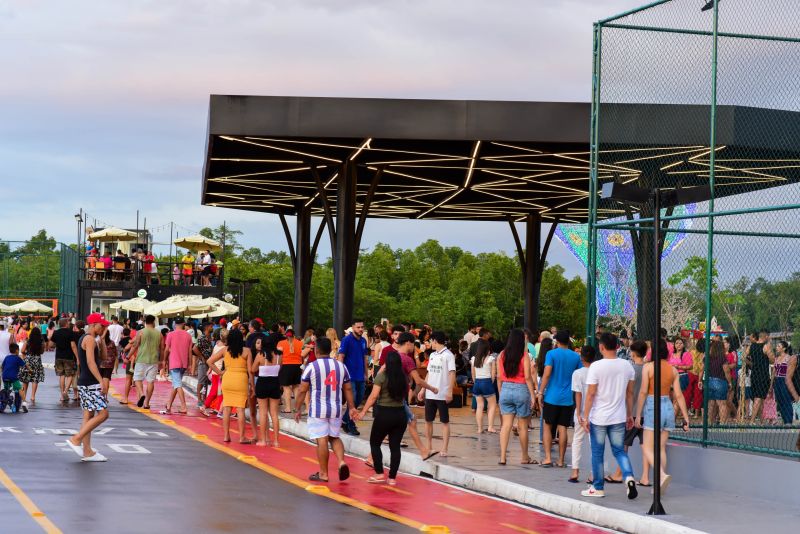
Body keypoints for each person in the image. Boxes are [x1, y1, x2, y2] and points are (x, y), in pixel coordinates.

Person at [580, 332, 637, 499]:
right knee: (619, 451)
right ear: (618, 346)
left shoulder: (596, 367)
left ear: (601, 347)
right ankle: (629, 476)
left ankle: (598, 487)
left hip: (599, 417)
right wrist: (629, 415)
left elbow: (590, 394)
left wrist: (585, 416)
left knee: (597, 453)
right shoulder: (627, 366)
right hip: (619, 416)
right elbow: (630, 393)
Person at [294, 336, 356, 483]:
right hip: (336, 409)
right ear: (330, 350)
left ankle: (323, 474)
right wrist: (352, 407)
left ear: (316, 350)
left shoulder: (312, 366)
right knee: (334, 437)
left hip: (318, 410)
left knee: (322, 439)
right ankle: (341, 462)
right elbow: (347, 388)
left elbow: (302, 390)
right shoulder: (341, 366)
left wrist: (297, 408)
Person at [635, 338, 691, 494]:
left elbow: (644, 391)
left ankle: (661, 475)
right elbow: (679, 395)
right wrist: (686, 417)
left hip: (653, 406)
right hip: (668, 406)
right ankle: (660, 485)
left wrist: (638, 414)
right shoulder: (673, 369)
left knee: (647, 447)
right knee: (661, 448)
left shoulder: (648, 367)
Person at [357, 351, 409, 485]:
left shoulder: (382, 376)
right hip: (400, 414)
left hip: (385, 413)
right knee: (395, 446)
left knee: (375, 443)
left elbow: (373, 396)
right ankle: (392, 478)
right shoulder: (403, 377)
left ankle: (379, 473)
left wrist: (363, 411)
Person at [67, 313, 111, 462]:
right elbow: (91, 362)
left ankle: (87, 451)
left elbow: (104, 357)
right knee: (103, 414)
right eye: (101, 325)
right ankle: (76, 439)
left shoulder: (89, 339)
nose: (103, 327)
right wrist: (101, 381)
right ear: (93, 325)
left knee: (89, 416)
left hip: (85, 382)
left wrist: (103, 339)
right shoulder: (90, 339)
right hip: (91, 382)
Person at [538, 330, 582, 468]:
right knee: (563, 428)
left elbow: (547, 373)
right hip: (568, 398)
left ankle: (548, 458)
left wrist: (540, 392)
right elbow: (579, 374)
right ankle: (561, 460)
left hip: (551, 396)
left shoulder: (551, 354)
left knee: (547, 426)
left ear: (557, 341)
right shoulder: (575, 356)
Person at [498, 328, 537, 465]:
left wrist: (501, 392)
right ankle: (525, 457)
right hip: (521, 390)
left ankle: (502, 457)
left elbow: (499, 377)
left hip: (505, 390)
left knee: (506, 425)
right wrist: (533, 395)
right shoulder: (524, 355)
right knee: (522, 426)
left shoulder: (502, 355)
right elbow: (527, 377)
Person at [207, 328, 253, 443]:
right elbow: (250, 371)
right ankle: (242, 437)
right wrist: (252, 386)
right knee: (240, 409)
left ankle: (226, 436)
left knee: (226, 408)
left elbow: (209, 361)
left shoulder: (224, 350)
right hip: (241, 379)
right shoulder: (247, 351)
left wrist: (220, 372)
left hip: (227, 378)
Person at [420, 331, 456, 457]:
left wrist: (450, 391)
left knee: (444, 421)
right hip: (430, 394)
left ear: (435, 341)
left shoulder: (448, 355)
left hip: (442, 394)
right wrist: (423, 389)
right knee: (428, 420)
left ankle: (444, 448)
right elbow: (429, 373)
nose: (430, 343)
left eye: (431, 341)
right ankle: (429, 446)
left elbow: (452, 373)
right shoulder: (432, 355)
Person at [568, 345, 595, 483]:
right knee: (594, 443)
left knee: (577, 440)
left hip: (581, 411)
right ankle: (593, 473)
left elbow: (578, 394)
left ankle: (575, 471)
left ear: (581, 357)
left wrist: (579, 413)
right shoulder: (597, 372)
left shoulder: (577, 373)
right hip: (595, 412)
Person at [339, 319, 369, 436]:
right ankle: (351, 423)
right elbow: (341, 356)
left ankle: (345, 420)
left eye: (362, 327)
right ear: (353, 327)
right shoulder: (346, 340)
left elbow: (364, 358)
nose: (361, 329)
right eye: (358, 327)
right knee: (353, 399)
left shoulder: (363, 341)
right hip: (349, 376)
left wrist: (366, 373)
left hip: (360, 376)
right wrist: (341, 373)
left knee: (359, 399)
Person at [251, 337, 282, 447]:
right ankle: (276, 441)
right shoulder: (279, 355)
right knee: (274, 414)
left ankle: (263, 440)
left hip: (262, 383)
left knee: (263, 413)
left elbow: (253, 369)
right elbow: (280, 368)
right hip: (275, 383)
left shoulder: (260, 355)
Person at [130, 314, 162, 410]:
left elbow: (135, 345)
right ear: (153, 322)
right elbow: (162, 348)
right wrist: (163, 360)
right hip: (153, 360)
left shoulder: (140, 332)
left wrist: (128, 356)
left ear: (144, 322)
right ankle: (147, 403)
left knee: (137, 379)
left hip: (141, 359)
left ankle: (141, 393)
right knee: (150, 381)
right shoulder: (159, 334)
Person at [746, 329, 774, 422]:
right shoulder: (766, 347)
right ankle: (752, 421)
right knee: (758, 398)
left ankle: (762, 421)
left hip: (754, 374)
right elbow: (772, 360)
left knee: (760, 399)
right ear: (766, 336)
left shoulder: (751, 346)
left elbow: (743, 357)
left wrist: (752, 364)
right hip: (763, 375)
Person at [471, 338, 498, 434]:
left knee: (479, 406)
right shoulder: (491, 359)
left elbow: (473, 374)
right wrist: (490, 383)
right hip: (487, 382)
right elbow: (493, 374)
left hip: (477, 383)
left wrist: (476, 382)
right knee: (492, 405)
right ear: (487, 350)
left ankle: (479, 428)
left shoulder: (474, 359)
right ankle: (490, 427)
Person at [277, 327, 304, 414]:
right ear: (294, 335)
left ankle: (288, 408)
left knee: (286, 388)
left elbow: (279, 356)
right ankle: (297, 408)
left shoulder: (281, 343)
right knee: (296, 387)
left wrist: (278, 367)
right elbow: (303, 355)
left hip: (286, 366)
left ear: (286, 335)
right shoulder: (300, 343)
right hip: (297, 366)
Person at [52, 318, 79, 403]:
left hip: (58, 356)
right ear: (66, 324)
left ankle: (62, 395)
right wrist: (77, 357)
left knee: (61, 375)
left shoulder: (56, 332)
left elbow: (51, 344)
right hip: (69, 357)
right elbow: (73, 346)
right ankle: (65, 391)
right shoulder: (71, 333)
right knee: (70, 375)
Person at [706, 339, 732, 424]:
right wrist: (730, 382)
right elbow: (727, 371)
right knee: (722, 403)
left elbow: (702, 369)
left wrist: (700, 380)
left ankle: (710, 422)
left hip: (709, 381)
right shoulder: (723, 357)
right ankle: (722, 423)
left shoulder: (708, 357)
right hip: (720, 381)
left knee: (711, 403)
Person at [19, 328, 45, 409]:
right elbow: (42, 352)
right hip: (37, 360)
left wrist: (26, 353)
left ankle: (24, 396)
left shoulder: (28, 341)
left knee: (26, 379)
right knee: (35, 379)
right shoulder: (41, 342)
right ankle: (33, 396)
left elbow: (22, 350)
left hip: (28, 360)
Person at [193, 322, 214, 409]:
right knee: (201, 381)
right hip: (203, 363)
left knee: (205, 382)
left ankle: (204, 399)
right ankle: (199, 400)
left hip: (209, 362)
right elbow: (194, 348)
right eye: (211, 326)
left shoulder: (209, 338)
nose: (212, 328)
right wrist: (202, 357)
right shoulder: (202, 338)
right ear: (207, 327)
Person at [773, 341, 793, 425]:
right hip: (777, 380)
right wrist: (771, 386)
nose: (776, 347)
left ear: (784, 348)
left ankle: (789, 421)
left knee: (786, 400)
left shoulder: (788, 358)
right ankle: (785, 420)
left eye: (778, 346)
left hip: (784, 380)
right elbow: (774, 372)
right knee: (780, 401)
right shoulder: (776, 359)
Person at [1, 344, 25, 413]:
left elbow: (2, 366)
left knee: (6, 390)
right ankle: (24, 402)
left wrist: (3, 372)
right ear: (17, 350)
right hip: (13, 377)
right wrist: (30, 371)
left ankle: (3, 402)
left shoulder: (7, 357)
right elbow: (24, 365)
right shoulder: (18, 358)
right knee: (19, 388)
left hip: (5, 376)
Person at [99, 328, 117, 395]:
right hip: (109, 363)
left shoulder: (99, 342)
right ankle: (105, 395)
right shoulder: (112, 343)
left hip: (100, 363)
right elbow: (115, 353)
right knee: (106, 378)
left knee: (100, 379)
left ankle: (101, 393)